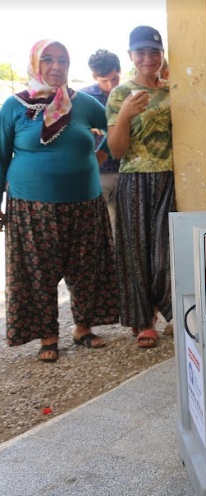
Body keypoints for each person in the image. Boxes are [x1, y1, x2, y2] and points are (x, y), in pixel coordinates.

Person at [0, 40, 119, 362]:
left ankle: (83, 328)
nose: (56, 66)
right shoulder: (14, 106)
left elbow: (113, 127)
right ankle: (47, 337)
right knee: (38, 272)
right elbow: (1, 155)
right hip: (31, 205)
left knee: (86, 269)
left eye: (63, 60)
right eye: (48, 60)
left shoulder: (84, 103)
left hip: (85, 202)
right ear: (36, 64)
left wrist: (102, 152)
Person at [106, 25, 174, 349]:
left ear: (162, 55)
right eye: (141, 52)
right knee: (135, 253)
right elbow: (116, 151)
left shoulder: (173, 92)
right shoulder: (120, 94)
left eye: (155, 52)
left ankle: (170, 309)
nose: (149, 58)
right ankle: (144, 321)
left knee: (165, 253)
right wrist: (124, 115)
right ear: (131, 55)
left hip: (168, 178)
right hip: (134, 179)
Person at [80, 49, 121, 229]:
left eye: (115, 79)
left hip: (124, 171)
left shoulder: (128, 94)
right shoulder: (83, 99)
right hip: (97, 173)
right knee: (95, 226)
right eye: (104, 81)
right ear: (94, 77)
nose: (111, 85)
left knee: (119, 227)